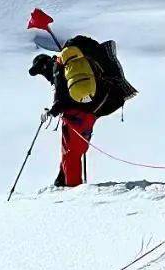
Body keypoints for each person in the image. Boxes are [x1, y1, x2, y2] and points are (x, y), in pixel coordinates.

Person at [28, 35, 135, 187]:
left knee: (72, 154)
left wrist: (51, 112)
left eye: (40, 72)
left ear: (44, 66)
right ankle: (62, 180)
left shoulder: (58, 67)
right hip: (89, 113)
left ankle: (72, 188)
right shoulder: (71, 65)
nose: (43, 76)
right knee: (73, 151)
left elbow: (61, 98)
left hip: (75, 116)